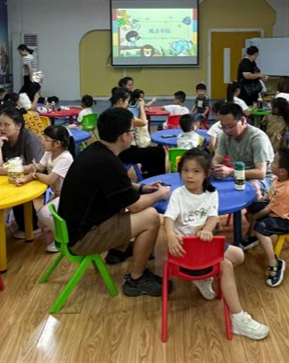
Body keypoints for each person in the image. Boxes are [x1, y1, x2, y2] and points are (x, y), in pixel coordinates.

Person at [58, 107, 172, 297]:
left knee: (123, 205)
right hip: (82, 239)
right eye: (132, 131)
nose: (133, 135)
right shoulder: (108, 162)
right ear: (123, 137)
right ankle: (136, 279)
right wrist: (160, 194)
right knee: (151, 217)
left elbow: (117, 185)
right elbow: (134, 206)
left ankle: (118, 251)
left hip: (75, 228)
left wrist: (142, 188)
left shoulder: (96, 150)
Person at [163, 148, 270, 340]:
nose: (189, 175)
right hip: (185, 249)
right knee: (226, 265)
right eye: (185, 170)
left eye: (196, 171)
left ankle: (204, 279)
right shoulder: (178, 194)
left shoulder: (211, 193)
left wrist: (207, 229)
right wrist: (170, 235)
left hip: (205, 244)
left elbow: (213, 216)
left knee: (239, 255)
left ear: (206, 174)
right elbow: (169, 218)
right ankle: (237, 318)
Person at [242, 148, 289, 287]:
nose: (271, 162)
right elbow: (270, 196)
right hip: (278, 209)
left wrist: (254, 217)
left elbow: (270, 210)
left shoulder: (287, 190)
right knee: (252, 206)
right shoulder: (278, 179)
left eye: (274, 161)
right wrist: (258, 203)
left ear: (282, 171)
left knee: (261, 228)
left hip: (287, 220)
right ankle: (252, 237)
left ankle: (275, 263)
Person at [16, 125, 75, 253]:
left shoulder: (65, 158)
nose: (42, 141)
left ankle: (64, 239)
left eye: (46, 139)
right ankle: (60, 231)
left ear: (57, 143)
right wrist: (25, 178)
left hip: (69, 196)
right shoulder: (49, 153)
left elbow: (49, 179)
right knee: (41, 222)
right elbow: (39, 168)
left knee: (43, 214)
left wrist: (35, 175)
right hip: (57, 193)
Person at [0, 106, 44, 237]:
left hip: (38, 175)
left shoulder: (29, 139)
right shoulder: (2, 139)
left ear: (18, 125)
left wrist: (6, 171)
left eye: (6, 125)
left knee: (16, 187)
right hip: (17, 174)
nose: (1, 128)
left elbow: (35, 166)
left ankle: (31, 227)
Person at [212, 103, 275, 202]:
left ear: (242, 120)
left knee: (252, 186)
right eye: (223, 126)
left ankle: (259, 209)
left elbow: (261, 173)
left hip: (265, 179)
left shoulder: (257, 138)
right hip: (239, 176)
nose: (227, 130)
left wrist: (231, 172)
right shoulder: (224, 136)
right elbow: (216, 160)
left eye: (230, 126)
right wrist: (215, 168)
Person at [111, 88, 166, 179]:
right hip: (123, 152)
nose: (128, 104)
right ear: (120, 101)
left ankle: (146, 172)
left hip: (114, 151)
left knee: (148, 149)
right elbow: (143, 122)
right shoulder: (123, 115)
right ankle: (155, 179)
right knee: (159, 151)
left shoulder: (110, 112)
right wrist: (141, 107)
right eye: (127, 101)